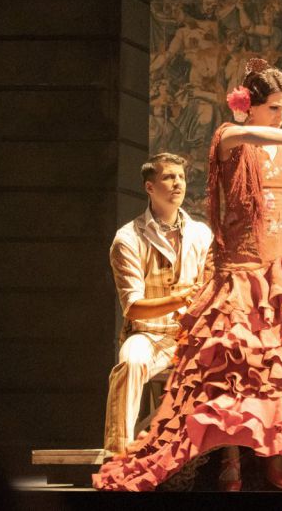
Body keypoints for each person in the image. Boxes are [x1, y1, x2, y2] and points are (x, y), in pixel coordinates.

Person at [95, 59, 282, 492]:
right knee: (233, 370)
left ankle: (276, 453)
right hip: (240, 271)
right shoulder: (230, 136)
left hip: (280, 272)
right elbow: (258, 136)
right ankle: (230, 457)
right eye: (274, 107)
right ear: (250, 106)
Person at [102, 153, 213, 456]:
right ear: (149, 187)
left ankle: (224, 456)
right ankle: (118, 453)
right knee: (130, 363)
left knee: (232, 361)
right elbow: (133, 307)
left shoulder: (201, 233)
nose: (178, 183)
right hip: (150, 334)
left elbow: (212, 285)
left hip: (192, 335)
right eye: (168, 177)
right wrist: (180, 298)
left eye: (181, 177)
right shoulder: (128, 238)